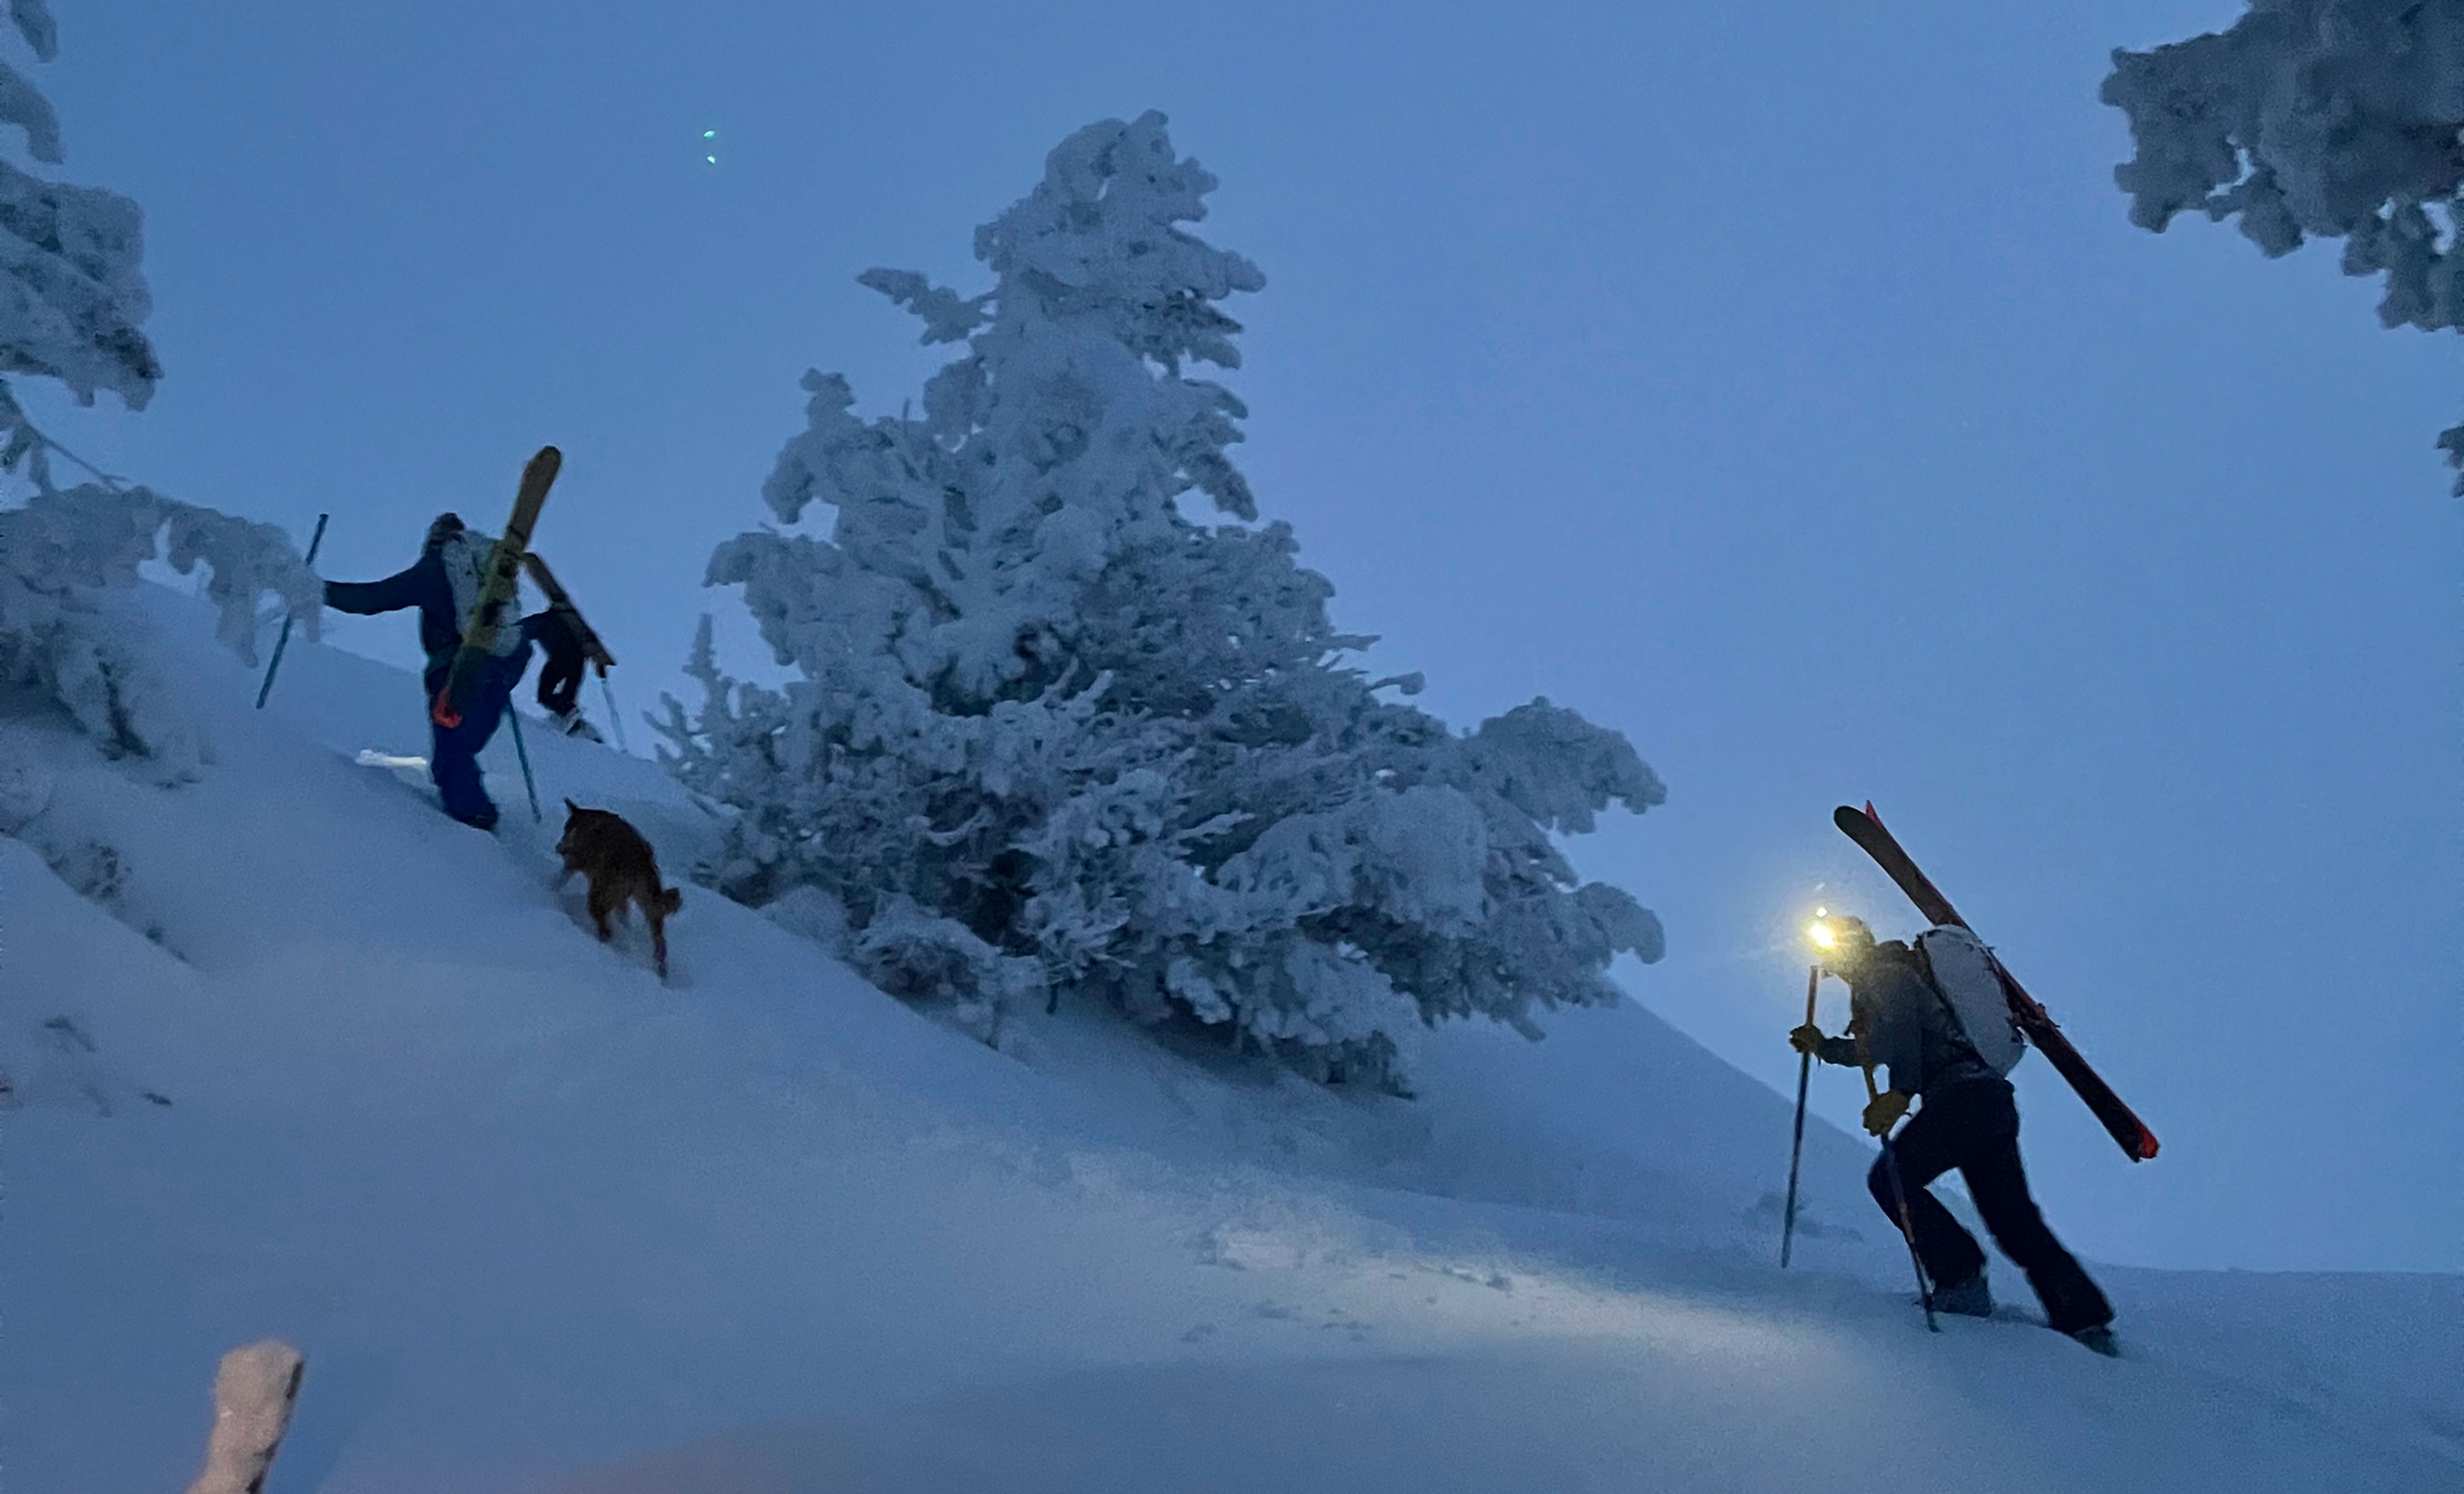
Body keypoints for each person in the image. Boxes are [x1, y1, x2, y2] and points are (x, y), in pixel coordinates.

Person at [1791, 914, 2119, 1356]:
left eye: (1834, 951)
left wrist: (1900, 1094)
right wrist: (1828, 1047)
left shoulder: (1883, 973)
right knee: (2012, 1218)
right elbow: (1887, 1041)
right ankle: (2085, 1319)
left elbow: (1904, 1029)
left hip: (1958, 1099)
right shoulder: (1890, 978)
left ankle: (1960, 1278)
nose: (1832, 962)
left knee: (1891, 1178)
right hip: (1988, 1101)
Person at [323, 512, 590, 828]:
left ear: (433, 539)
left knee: (450, 753)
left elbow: (373, 599)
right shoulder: (489, 568)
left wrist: (316, 590)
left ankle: (474, 820)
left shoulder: (435, 567)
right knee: (466, 742)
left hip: (457, 670)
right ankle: (475, 807)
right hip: (503, 668)